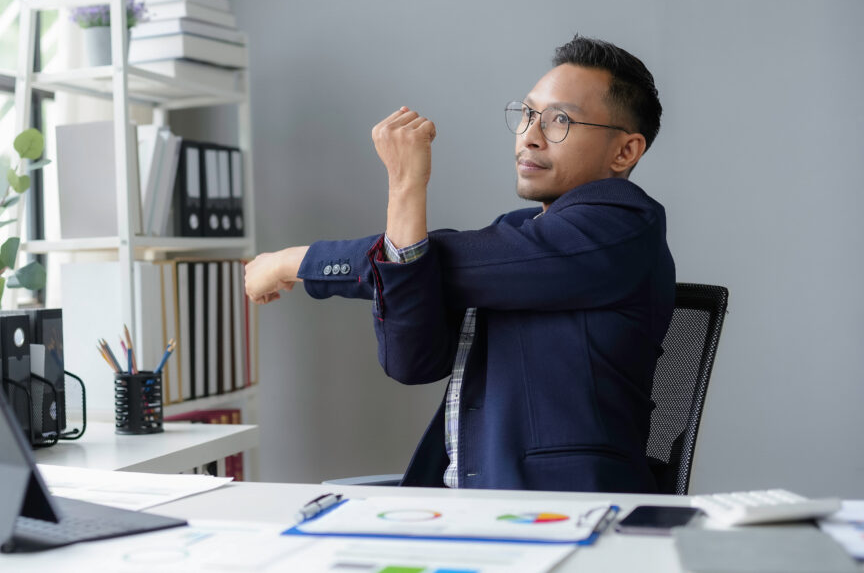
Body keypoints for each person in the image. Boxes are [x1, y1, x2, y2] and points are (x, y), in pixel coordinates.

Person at [244, 36, 675, 492]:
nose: (530, 135)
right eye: (528, 114)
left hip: (561, 508)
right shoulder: (518, 233)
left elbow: (440, 263)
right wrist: (405, 198)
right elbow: (412, 361)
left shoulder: (621, 226)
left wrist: (295, 260)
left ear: (624, 152)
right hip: (467, 502)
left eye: (560, 120)